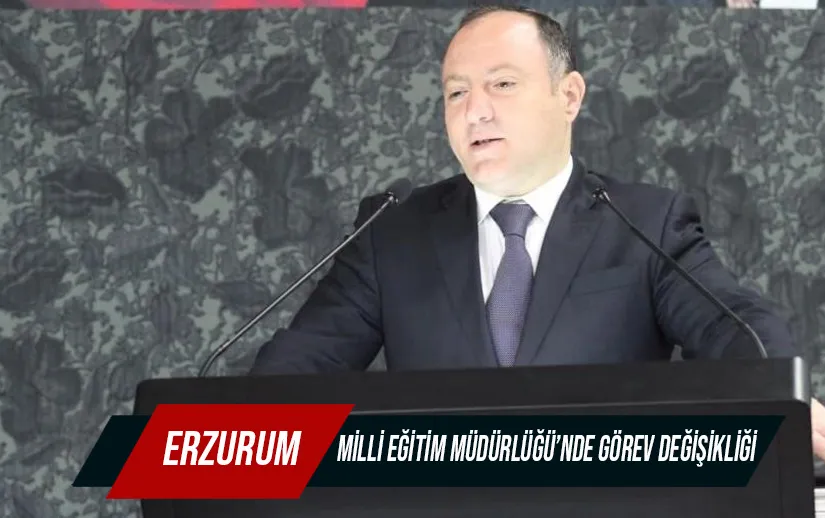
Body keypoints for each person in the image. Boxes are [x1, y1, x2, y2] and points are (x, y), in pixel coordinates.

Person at [249, 5, 825, 460]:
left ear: (568, 95)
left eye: (501, 84)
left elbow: (734, 328)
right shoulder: (392, 233)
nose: (475, 110)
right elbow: (297, 370)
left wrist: (781, 397)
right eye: (456, 92)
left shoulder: (646, 224)